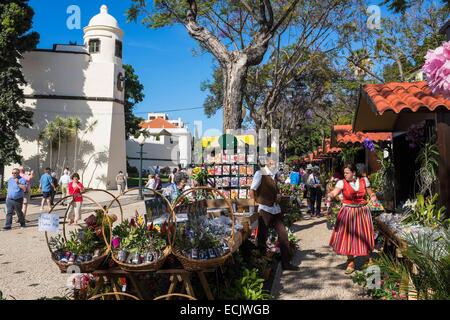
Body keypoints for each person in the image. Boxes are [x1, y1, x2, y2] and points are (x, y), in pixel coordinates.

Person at [249, 154, 299, 271]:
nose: (274, 164)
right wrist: (254, 208)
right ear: (266, 162)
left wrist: (279, 196)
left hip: (275, 209)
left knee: (283, 235)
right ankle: (262, 265)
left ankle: (286, 263)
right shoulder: (259, 173)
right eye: (272, 162)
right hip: (264, 210)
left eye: (275, 162)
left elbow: (274, 191)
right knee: (262, 237)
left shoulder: (275, 175)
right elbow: (252, 191)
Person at [328, 163, 377, 274]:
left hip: (362, 211)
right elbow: (334, 192)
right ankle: (350, 261)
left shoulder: (364, 181)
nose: (344, 175)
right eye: (344, 173)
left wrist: (373, 198)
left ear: (354, 173)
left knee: (364, 235)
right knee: (348, 236)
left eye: (347, 173)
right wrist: (330, 196)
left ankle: (367, 258)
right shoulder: (341, 182)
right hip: (348, 211)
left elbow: (371, 193)